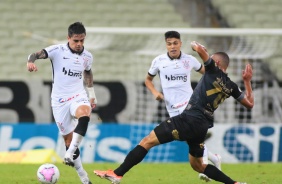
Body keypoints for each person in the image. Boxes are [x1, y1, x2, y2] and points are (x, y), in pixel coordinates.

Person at [94, 41, 253, 184]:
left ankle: (117, 174)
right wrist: (247, 82)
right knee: (198, 165)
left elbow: (197, 48)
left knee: (147, 141)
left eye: (211, 59)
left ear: (217, 62)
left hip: (189, 118)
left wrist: (196, 46)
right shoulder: (231, 86)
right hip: (202, 125)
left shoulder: (212, 70)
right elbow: (249, 104)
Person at [144, 31, 221, 182]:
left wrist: (207, 57)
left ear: (180, 43)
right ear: (166, 44)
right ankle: (215, 158)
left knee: (193, 137)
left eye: (175, 43)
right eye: (169, 43)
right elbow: (148, 80)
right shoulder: (158, 61)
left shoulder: (190, 60)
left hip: (190, 106)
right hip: (172, 108)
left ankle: (205, 165)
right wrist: (155, 92)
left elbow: (208, 72)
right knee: (190, 140)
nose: (172, 46)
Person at [27, 22, 97, 184]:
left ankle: (69, 152)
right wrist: (31, 61)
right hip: (59, 102)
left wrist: (91, 94)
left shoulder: (87, 56)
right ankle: (84, 179)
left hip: (78, 96)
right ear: (68, 38)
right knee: (67, 139)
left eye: (82, 41)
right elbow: (35, 54)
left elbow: (88, 72)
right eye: (76, 41)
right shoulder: (57, 51)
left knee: (85, 114)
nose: (79, 44)